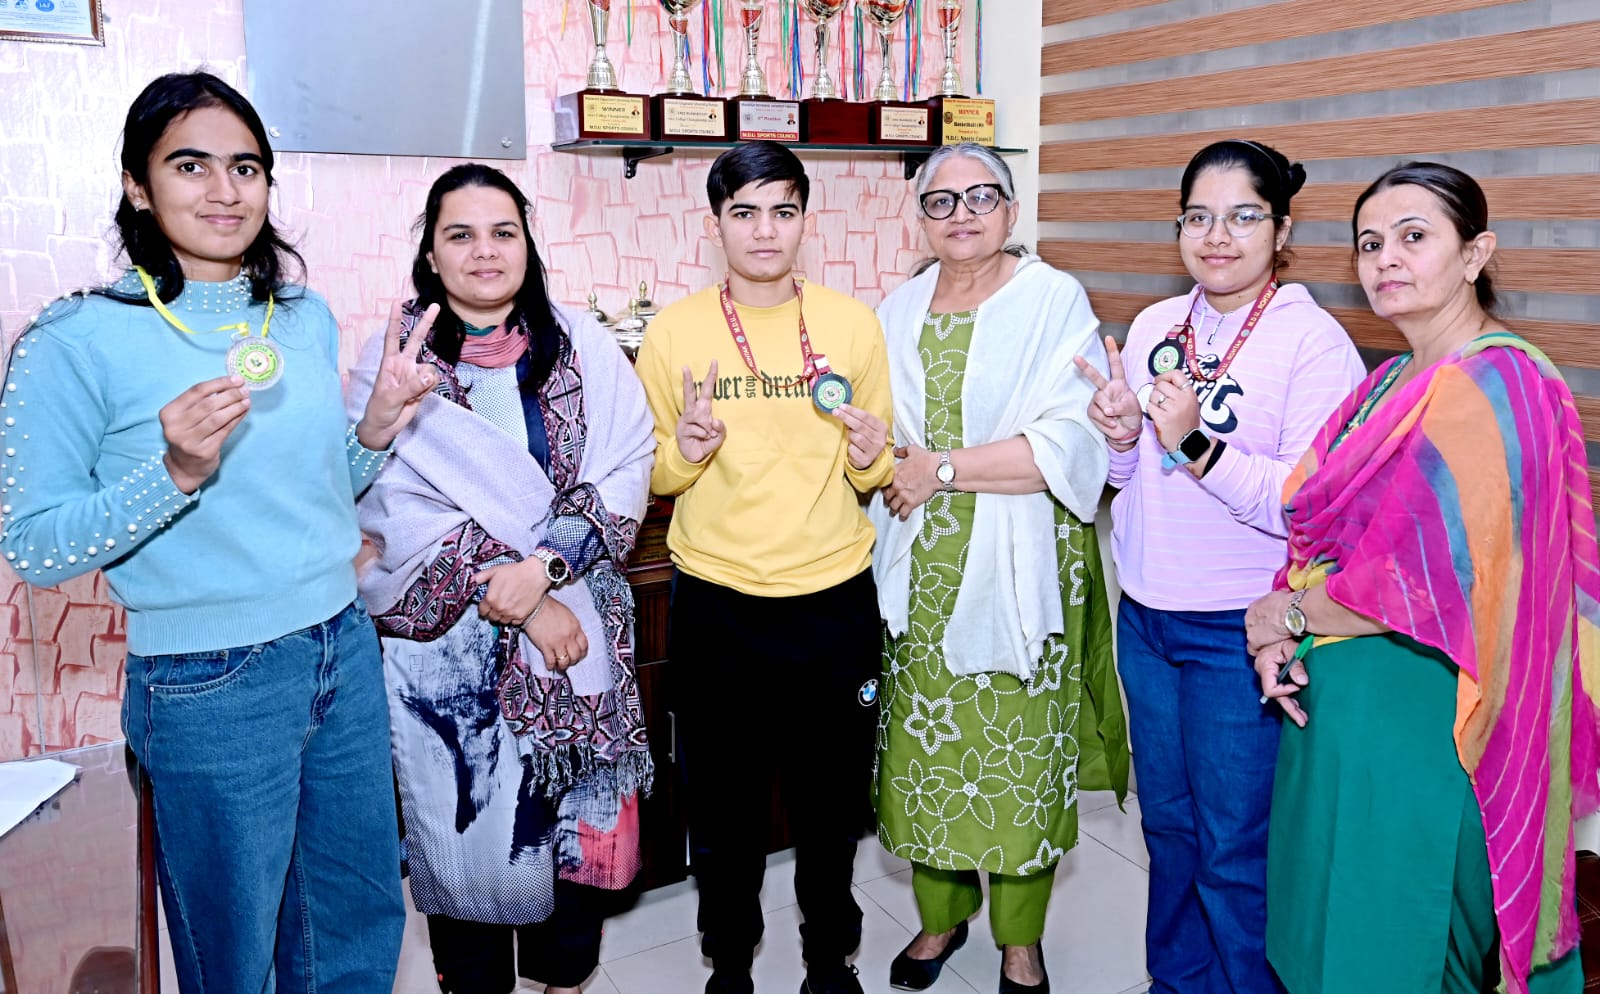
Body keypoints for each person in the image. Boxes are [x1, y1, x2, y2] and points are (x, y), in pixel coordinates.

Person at [0, 71, 433, 993]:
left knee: (357, 926)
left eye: (246, 167)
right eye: (190, 165)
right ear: (137, 184)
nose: (225, 190)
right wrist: (174, 474)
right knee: (234, 957)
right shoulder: (73, 338)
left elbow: (319, 493)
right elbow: (34, 546)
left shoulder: (302, 318)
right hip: (209, 683)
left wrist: (372, 434)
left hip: (342, 648)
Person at [1245, 162, 1598, 994]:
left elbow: (1422, 583)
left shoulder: (1503, 382)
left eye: (1413, 237)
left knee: (1402, 937)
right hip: (1336, 710)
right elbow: (1319, 536)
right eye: (1370, 244)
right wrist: (1278, 630)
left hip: (1430, 721)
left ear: (1475, 253)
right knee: (1327, 931)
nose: (1386, 259)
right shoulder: (1387, 385)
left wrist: (1283, 617)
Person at [347, 164, 655, 994]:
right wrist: (513, 595)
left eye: (502, 232)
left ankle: (565, 982)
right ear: (431, 254)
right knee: (468, 837)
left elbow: (628, 463)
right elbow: (386, 507)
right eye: (461, 235)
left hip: (578, 643)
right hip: (452, 664)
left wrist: (546, 571)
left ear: (527, 244)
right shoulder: (394, 362)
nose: (484, 251)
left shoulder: (583, 343)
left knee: (570, 852)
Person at [1076, 139, 1364, 993]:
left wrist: (1195, 442)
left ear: (1282, 231)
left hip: (1241, 633)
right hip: (1148, 619)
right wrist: (1121, 435)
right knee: (1169, 832)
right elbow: (1128, 480)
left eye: (1243, 217)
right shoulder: (1158, 326)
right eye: (1198, 217)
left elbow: (1301, 506)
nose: (1217, 236)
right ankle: (1176, 983)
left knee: (1236, 847)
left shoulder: (1313, 343)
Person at [633, 141, 895, 994]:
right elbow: (652, 476)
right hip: (718, 603)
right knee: (724, 815)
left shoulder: (852, 325)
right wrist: (686, 449)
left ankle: (829, 962)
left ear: (805, 219)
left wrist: (871, 454)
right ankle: (731, 965)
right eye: (744, 212)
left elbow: (874, 471)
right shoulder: (675, 332)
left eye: (782, 210)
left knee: (831, 809)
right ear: (716, 223)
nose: (764, 230)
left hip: (832, 602)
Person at [868, 142, 1130, 994]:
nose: (963, 214)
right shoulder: (897, 309)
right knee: (928, 754)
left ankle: (1021, 939)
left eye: (982, 196)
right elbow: (878, 434)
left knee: (1018, 762)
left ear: (1012, 211)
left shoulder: (1052, 299)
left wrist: (938, 468)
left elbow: (1067, 444)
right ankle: (941, 920)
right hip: (920, 565)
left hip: (1023, 567)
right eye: (941, 201)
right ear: (921, 218)